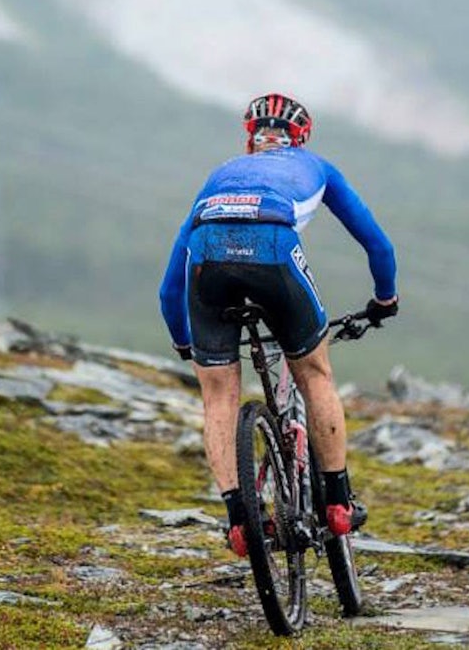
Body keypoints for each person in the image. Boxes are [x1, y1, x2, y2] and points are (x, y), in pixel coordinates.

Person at [158, 92, 398, 557]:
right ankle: (337, 504)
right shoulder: (318, 167)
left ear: (251, 141)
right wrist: (384, 299)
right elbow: (379, 246)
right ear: (300, 140)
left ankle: (239, 522)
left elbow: (169, 289)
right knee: (314, 372)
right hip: (273, 248)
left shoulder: (220, 177)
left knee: (218, 394)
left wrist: (186, 345)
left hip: (208, 257)